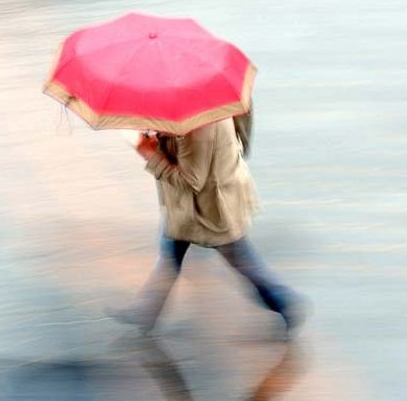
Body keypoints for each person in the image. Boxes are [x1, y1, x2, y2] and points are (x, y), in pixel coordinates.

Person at [108, 115, 306, 339]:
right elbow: (241, 133)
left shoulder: (199, 127)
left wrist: (149, 153)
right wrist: (163, 135)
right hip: (188, 208)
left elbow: (192, 180)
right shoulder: (203, 112)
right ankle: (145, 312)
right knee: (169, 254)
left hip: (211, 212)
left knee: (243, 262)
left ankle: (284, 303)